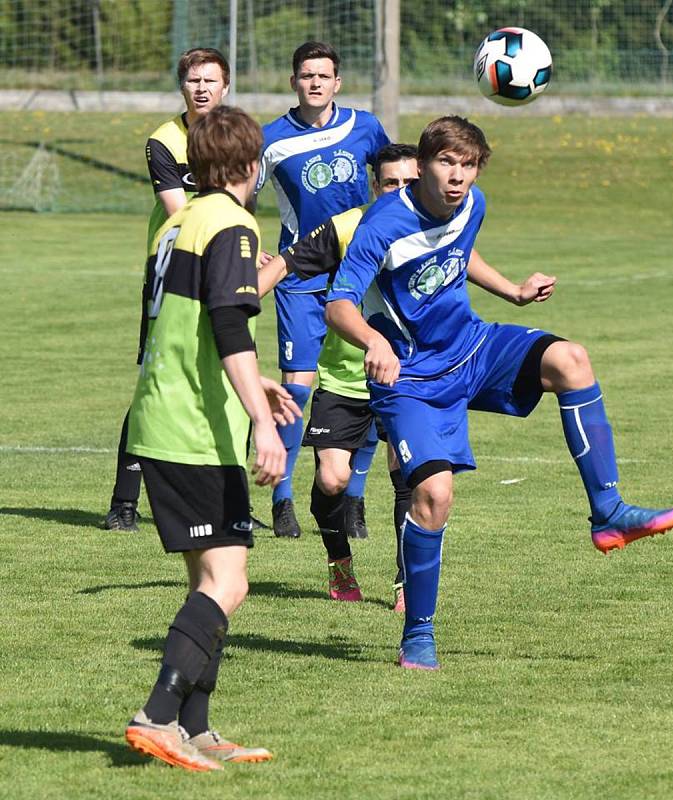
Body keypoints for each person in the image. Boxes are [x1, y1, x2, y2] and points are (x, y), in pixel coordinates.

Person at [325, 116, 673, 671]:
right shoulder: (383, 224)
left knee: (570, 359)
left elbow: (459, 251)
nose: (456, 176)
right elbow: (338, 303)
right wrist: (374, 339)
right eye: (446, 163)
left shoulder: (474, 204)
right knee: (434, 497)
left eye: (467, 165)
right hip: (412, 379)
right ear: (423, 165)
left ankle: (608, 510)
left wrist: (513, 291)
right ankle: (418, 633)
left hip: (470, 348)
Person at [123, 106, 300, 770]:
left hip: (169, 414)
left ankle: (195, 728)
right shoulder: (231, 222)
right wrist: (261, 418)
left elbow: (201, 319)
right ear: (252, 166)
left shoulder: (181, 219)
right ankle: (158, 715)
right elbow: (230, 326)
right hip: (194, 430)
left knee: (211, 578)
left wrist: (257, 389)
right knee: (228, 582)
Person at [258, 144, 418, 608]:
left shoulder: (433, 226)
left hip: (409, 377)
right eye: (391, 183)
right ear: (375, 185)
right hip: (345, 377)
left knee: (408, 473)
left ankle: (407, 579)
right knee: (332, 480)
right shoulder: (349, 226)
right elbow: (288, 262)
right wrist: (239, 298)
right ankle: (339, 561)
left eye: (410, 183)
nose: (400, 192)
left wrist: (513, 290)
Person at [256, 41, 390, 539]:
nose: (314, 82)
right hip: (299, 275)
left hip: (357, 277)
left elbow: (396, 181)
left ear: (338, 83)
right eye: (305, 75)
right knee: (298, 384)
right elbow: (239, 198)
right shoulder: (270, 140)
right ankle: (282, 498)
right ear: (293, 81)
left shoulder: (366, 127)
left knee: (373, 381)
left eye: (324, 75)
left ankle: (353, 497)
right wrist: (253, 252)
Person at [104, 47, 231, 533]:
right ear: (182, 87)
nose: (201, 88)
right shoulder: (163, 140)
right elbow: (181, 210)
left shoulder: (240, 137)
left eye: (210, 81)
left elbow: (241, 202)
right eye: (193, 80)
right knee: (154, 384)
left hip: (223, 267)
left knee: (224, 381)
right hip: (172, 270)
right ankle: (124, 501)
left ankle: (223, 504)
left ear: (225, 87)